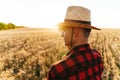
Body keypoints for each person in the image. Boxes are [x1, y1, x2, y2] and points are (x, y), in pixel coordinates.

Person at [47, 6, 104, 80]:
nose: (61, 35)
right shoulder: (97, 57)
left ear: (75, 32)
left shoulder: (58, 70)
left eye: (64, 31)